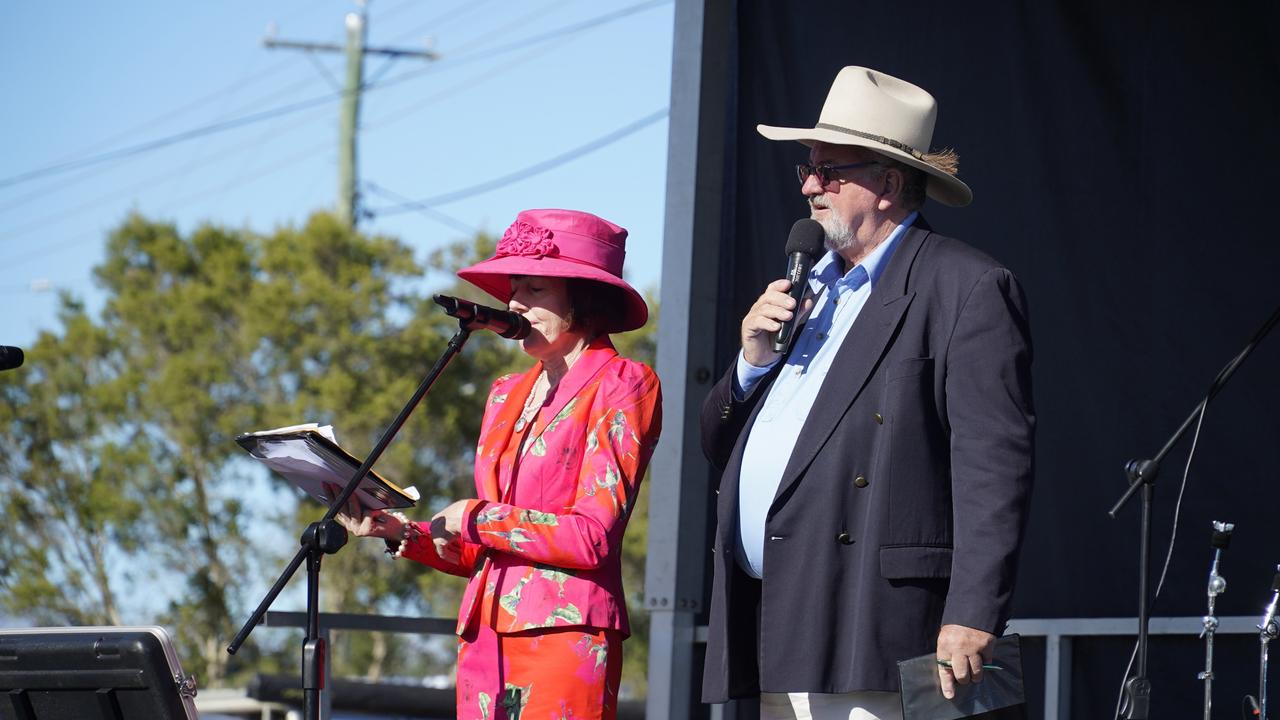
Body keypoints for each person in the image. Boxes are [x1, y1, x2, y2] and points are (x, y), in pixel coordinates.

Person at [699, 66, 1035, 719]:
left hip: (884, 630)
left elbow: (995, 470)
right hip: (784, 621)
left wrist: (972, 612)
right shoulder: (804, 292)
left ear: (886, 182)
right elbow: (716, 444)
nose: (808, 185)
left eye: (829, 170)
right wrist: (750, 363)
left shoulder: (966, 287)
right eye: (806, 168)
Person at [338, 208, 662, 720]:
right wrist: (402, 532)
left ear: (583, 298)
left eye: (534, 288)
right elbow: (485, 552)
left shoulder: (623, 384)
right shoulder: (506, 394)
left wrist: (474, 516)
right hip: (483, 639)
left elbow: (591, 537)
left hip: (562, 637)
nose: (513, 302)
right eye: (513, 287)